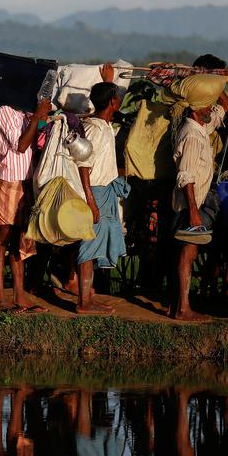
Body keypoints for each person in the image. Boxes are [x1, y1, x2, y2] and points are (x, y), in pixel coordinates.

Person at [171, 93, 226, 321]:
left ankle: (179, 306)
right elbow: (186, 176)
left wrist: (216, 83)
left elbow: (223, 108)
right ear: (195, 109)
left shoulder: (201, 127)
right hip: (189, 204)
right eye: (206, 104)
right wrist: (194, 211)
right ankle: (183, 308)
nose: (210, 108)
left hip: (196, 201)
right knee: (188, 253)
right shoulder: (192, 134)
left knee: (188, 253)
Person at [74, 80, 128, 314]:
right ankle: (83, 302)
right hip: (95, 191)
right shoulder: (95, 129)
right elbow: (84, 165)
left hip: (104, 191)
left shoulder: (105, 125)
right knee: (89, 244)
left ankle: (88, 297)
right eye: (117, 97)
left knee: (95, 245)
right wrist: (91, 200)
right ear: (113, 102)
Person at [0, 99, 49, 313]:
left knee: (20, 240)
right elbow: (21, 145)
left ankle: (19, 296)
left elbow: (38, 142)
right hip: (9, 180)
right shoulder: (5, 111)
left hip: (26, 181)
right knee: (3, 238)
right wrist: (37, 116)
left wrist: (41, 118)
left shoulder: (25, 113)